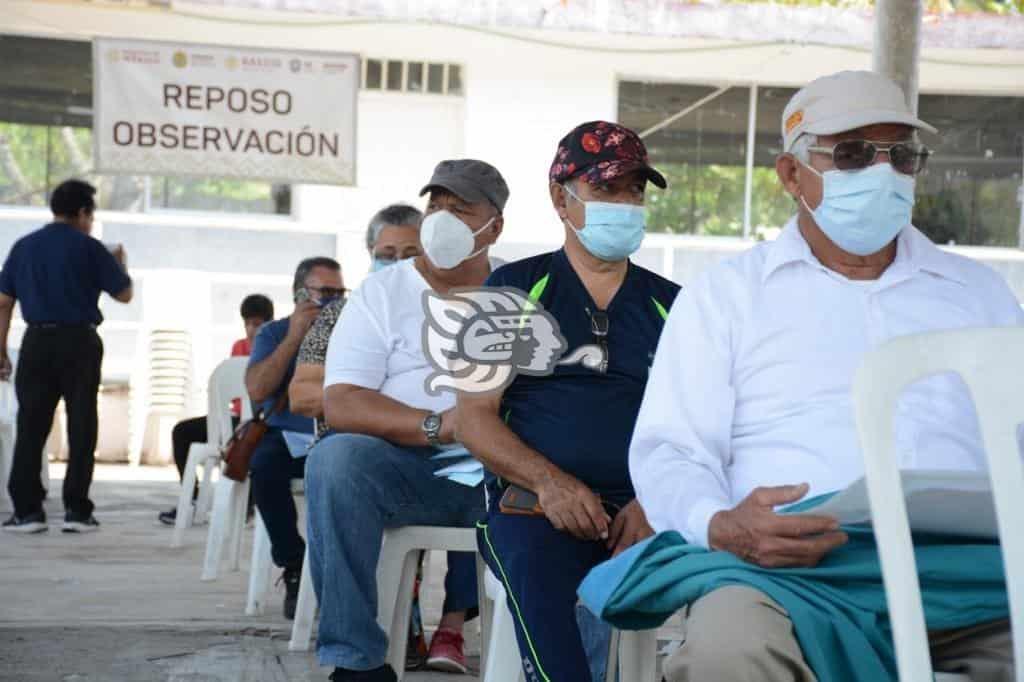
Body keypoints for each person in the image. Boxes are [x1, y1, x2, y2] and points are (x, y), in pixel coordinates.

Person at [629, 70, 1024, 681]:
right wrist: (722, 524)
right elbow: (671, 450)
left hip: (966, 574)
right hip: (787, 573)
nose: (883, 173)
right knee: (725, 655)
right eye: (853, 153)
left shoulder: (978, 294)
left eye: (902, 156)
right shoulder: (727, 297)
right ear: (791, 175)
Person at [457, 121, 680, 682]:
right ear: (562, 197)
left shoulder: (674, 305)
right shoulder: (510, 289)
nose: (626, 204)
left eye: (635, 190)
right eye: (607, 189)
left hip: (646, 511)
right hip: (531, 506)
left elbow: (700, 426)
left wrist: (657, 500)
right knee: (542, 580)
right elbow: (473, 418)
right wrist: (551, 483)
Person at [304, 159, 508, 682]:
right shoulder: (383, 293)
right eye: (435, 207)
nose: (441, 219)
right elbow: (343, 401)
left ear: (494, 226)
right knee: (335, 459)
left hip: (506, 474)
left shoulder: (520, 290)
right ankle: (358, 661)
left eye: (459, 210)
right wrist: (441, 425)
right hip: (416, 471)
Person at [0, 179, 132, 534]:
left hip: (36, 342)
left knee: (31, 426)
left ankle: (27, 511)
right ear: (83, 213)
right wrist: (120, 264)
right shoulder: (91, 249)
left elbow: (3, 303)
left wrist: (0, 350)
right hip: (79, 342)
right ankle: (76, 510)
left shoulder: (23, 247)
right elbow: (124, 294)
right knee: (82, 424)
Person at [246, 257, 344, 619]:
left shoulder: (350, 329)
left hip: (336, 433)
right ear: (300, 295)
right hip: (288, 435)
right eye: (325, 293)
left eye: (340, 293)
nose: (333, 302)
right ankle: (294, 564)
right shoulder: (274, 332)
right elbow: (257, 389)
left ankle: (339, 570)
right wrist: (294, 338)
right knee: (264, 467)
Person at [290, 203, 423, 430]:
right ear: (370, 252)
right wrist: (368, 402)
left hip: (439, 438)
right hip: (356, 439)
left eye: (410, 256)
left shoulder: (445, 309)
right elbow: (302, 395)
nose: (398, 265)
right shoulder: (339, 313)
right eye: (387, 256)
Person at [157, 294, 274, 526]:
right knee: (182, 431)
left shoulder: (276, 349)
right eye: (247, 323)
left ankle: (249, 506)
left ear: (268, 323)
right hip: (233, 419)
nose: (251, 329)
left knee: (254, 443)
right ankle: (191, 499)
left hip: (261, 421)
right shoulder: (239, 347)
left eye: (257, 324)